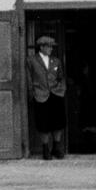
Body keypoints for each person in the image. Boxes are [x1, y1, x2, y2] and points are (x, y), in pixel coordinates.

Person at [27, 31, 67, 160]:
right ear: (41, 47)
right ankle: (45, 149)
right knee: (43, 124)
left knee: (58, 122)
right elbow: (28, 79)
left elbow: (61, 77)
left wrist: (61, 90)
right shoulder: (32, 60)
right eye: (48, 46)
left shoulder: (56, 61)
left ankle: (56, 147)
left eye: (51, 46)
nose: (51, 49)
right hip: (41, 95)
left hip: (56, 94)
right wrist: (32, 93)